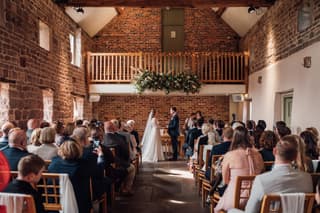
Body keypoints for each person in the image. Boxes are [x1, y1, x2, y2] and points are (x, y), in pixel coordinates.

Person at [229, 135, 313, 213]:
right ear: (295, 156)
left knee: (231, 211)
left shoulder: (261, 180)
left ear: (274, 151)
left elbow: (250, 211)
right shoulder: (307, 178)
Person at [214, 126, 264, 213]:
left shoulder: (229, 155)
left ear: (234, 138)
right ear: (248, 138)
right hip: (256, 199)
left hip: (235, 199)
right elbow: (261, 173)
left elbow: (225, 180)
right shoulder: (258, 154)